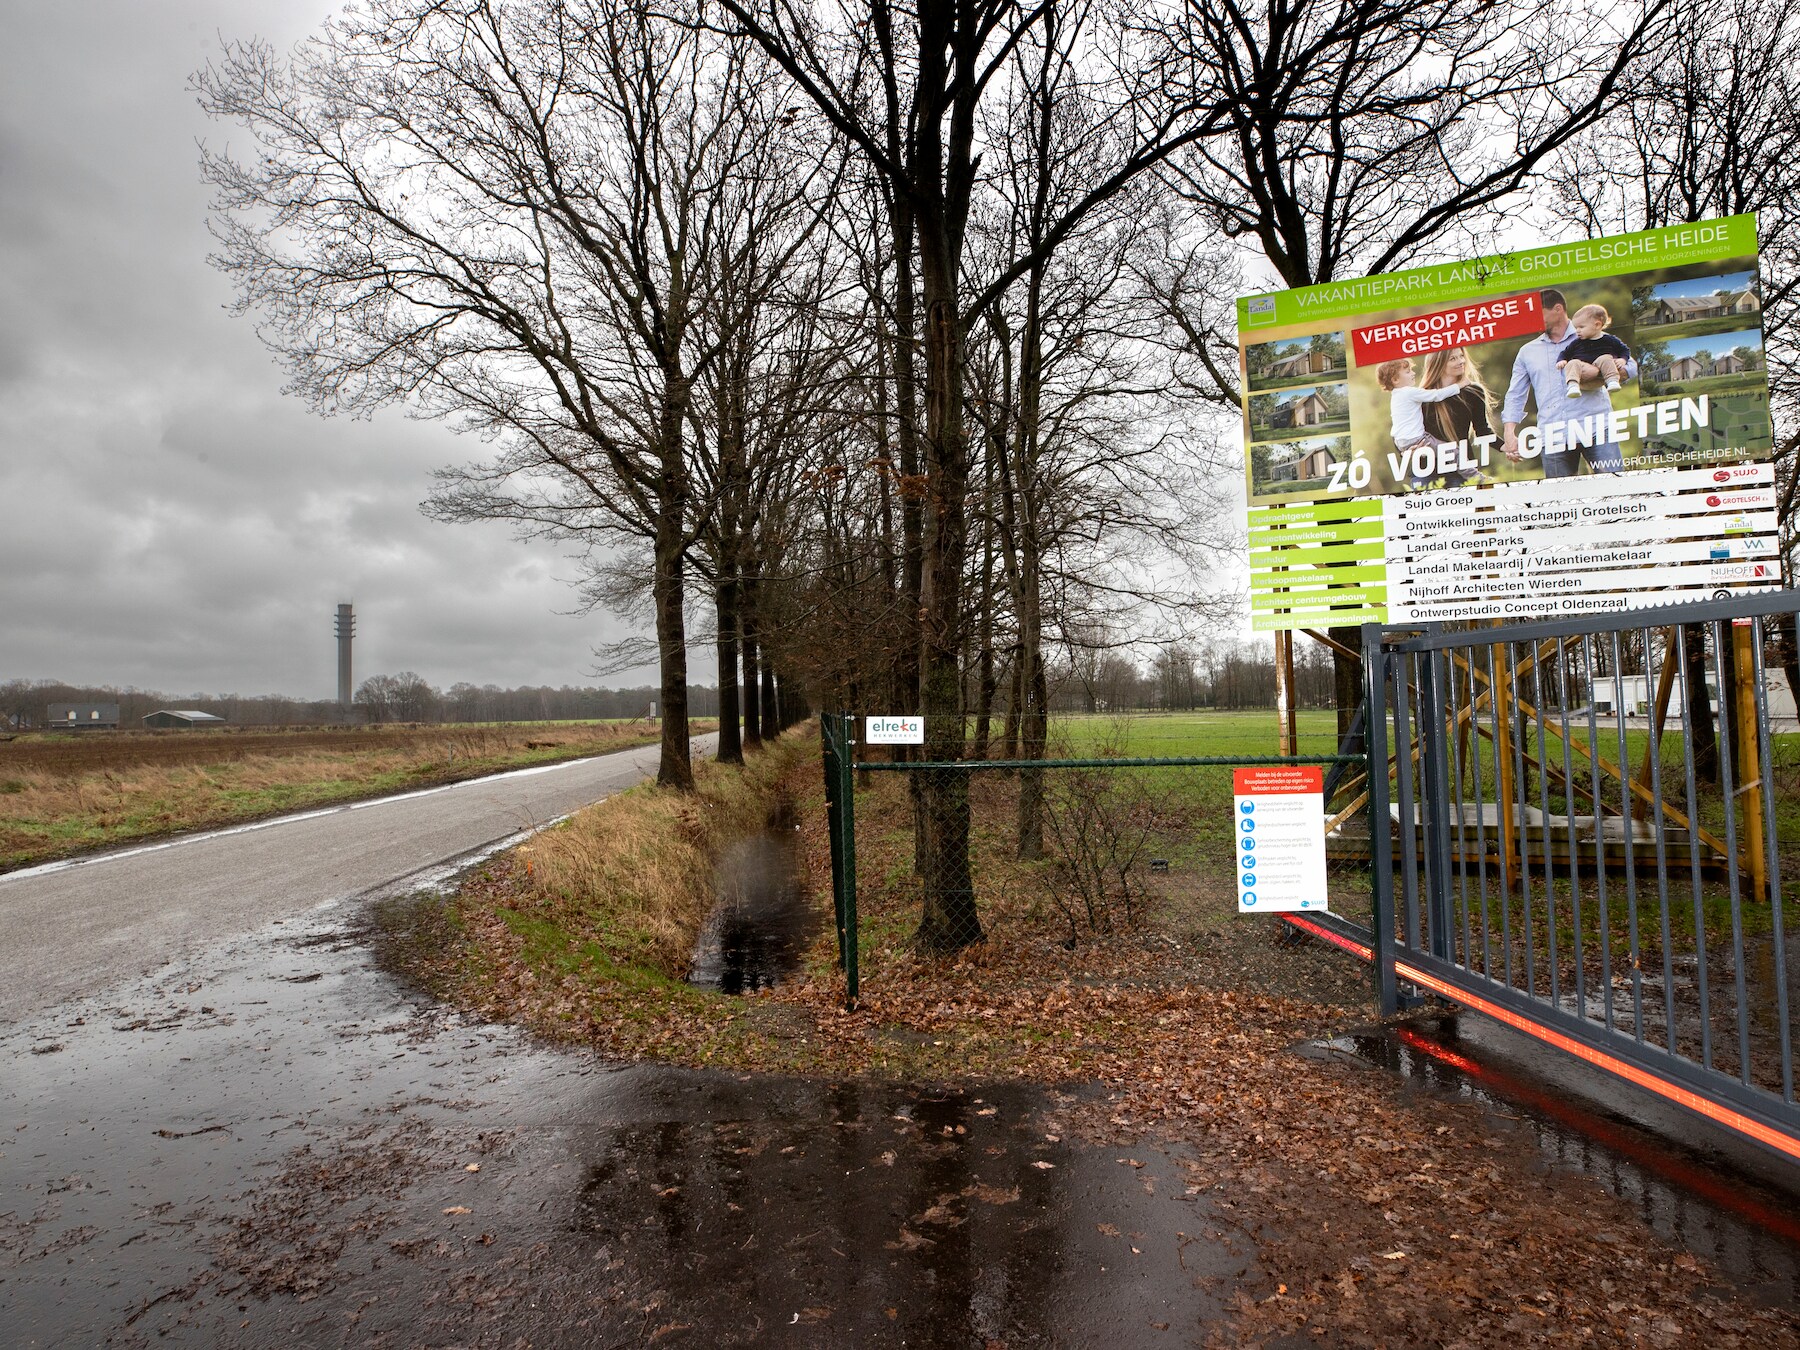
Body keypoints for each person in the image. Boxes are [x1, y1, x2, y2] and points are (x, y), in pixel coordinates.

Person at [1502, 287, 1636, 478]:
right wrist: (1509, 432)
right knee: (1559, 501)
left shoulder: (1592, 334)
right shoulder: (1527, 352)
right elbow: (1515, 394)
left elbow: (1631, 367)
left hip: (1596, 428)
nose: (1532, 321)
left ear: (1558, 309)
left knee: (1615, 487)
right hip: (1552, 435)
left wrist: (1597, 372)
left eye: (1537, 314)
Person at [1378, 356, 1467, 489]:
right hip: (1419, 450)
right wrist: (1460, 385)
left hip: (1402, 441)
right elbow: (1436, 395)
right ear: (1395, 379)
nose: (1413, 373)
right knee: (1453, 451)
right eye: (1408, 372)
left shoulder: (1396, 396)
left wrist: (1405, 451)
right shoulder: (1410, 393)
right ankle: (1477, 478)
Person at [1420, 345, 1496, 488]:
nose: (1461, 361)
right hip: (1428, 471)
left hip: (1462, 471)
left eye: (1461, 356)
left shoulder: (1473, 392)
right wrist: (1405, 451)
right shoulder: (1422, 397)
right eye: (1453, 358)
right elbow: (1403, 432)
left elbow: (1483, 430)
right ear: (1439, 364)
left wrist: (1507, 447)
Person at [1556, 303, 1630, 397]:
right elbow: (1565, 353)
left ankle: (1612, 381)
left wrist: (1623, 359)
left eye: (1581, 327)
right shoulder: (1577, 342)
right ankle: (1572, 386)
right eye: (1576, 328)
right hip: (1583, 373)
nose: (1577, 331)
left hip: (1601, 375)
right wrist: (1561, 360)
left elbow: (1624, 350)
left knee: (1606, 358)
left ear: (1597, 325)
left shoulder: (1610, 340)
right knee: (1573, 362)